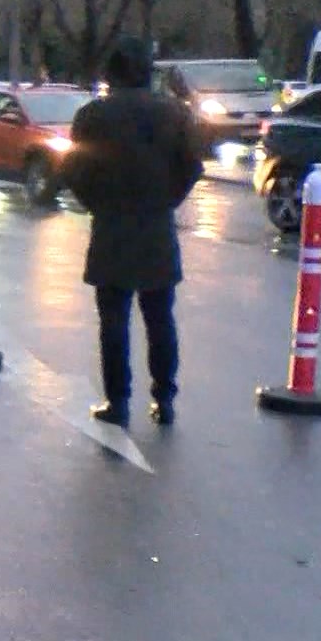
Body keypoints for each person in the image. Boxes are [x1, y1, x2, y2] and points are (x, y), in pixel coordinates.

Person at [58, 36, 203, 428]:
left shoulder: (93, 117)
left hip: (112, 227)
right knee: (160, 318)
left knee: (114, 320)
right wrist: (166, 200)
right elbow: (192, 166)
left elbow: (74, 169)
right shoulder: (174, 114)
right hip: (156, 227)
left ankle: (118, 401)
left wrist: (98, 202)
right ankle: (165, 398)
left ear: (112, 73)